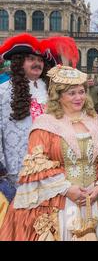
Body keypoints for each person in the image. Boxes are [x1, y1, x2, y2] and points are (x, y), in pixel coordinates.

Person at [0, 64, 98, 241]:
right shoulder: (45, 125)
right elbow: (38, 167)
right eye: (72, 93)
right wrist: (67, 189)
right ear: (58, 96)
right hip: (60, 201)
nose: (79, 97)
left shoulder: (96, 121)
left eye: (82, 91)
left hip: (97, 198)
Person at [0, 34, 53, 185]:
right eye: (31, 59)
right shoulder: (2, 92)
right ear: (19, 62)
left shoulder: (52, 92)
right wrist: (2, 170)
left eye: (40, 60)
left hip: (51, 169)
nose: (37, 63)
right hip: (17, 169)